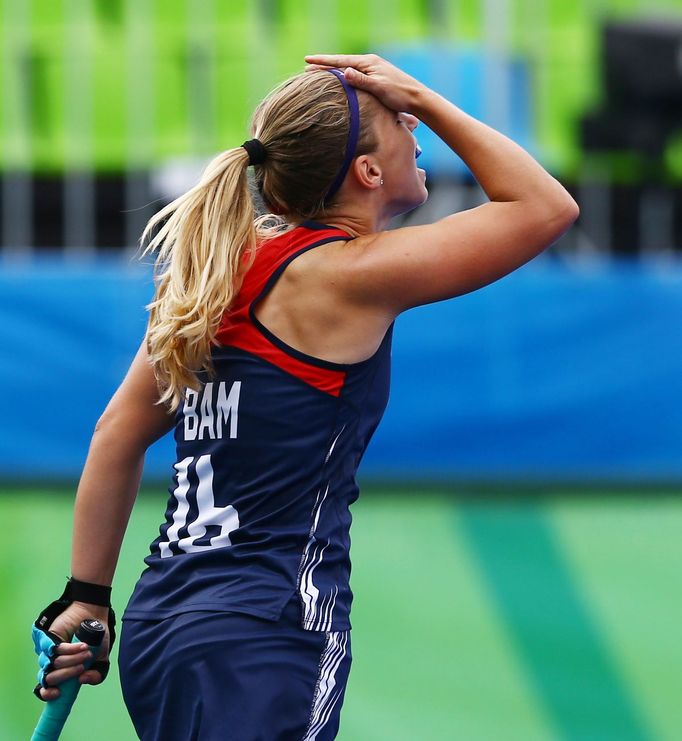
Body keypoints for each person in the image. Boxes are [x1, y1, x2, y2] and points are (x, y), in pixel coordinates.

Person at [32, 54, 578, 740]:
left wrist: (87, 595)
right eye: (401, 123)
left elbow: (115, 433)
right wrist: (427, 97)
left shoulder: (211, 277)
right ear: (367, 171)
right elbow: (545, 206)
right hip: (266, 628)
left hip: (163, 624)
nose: (415, 130)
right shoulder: (346, 276)